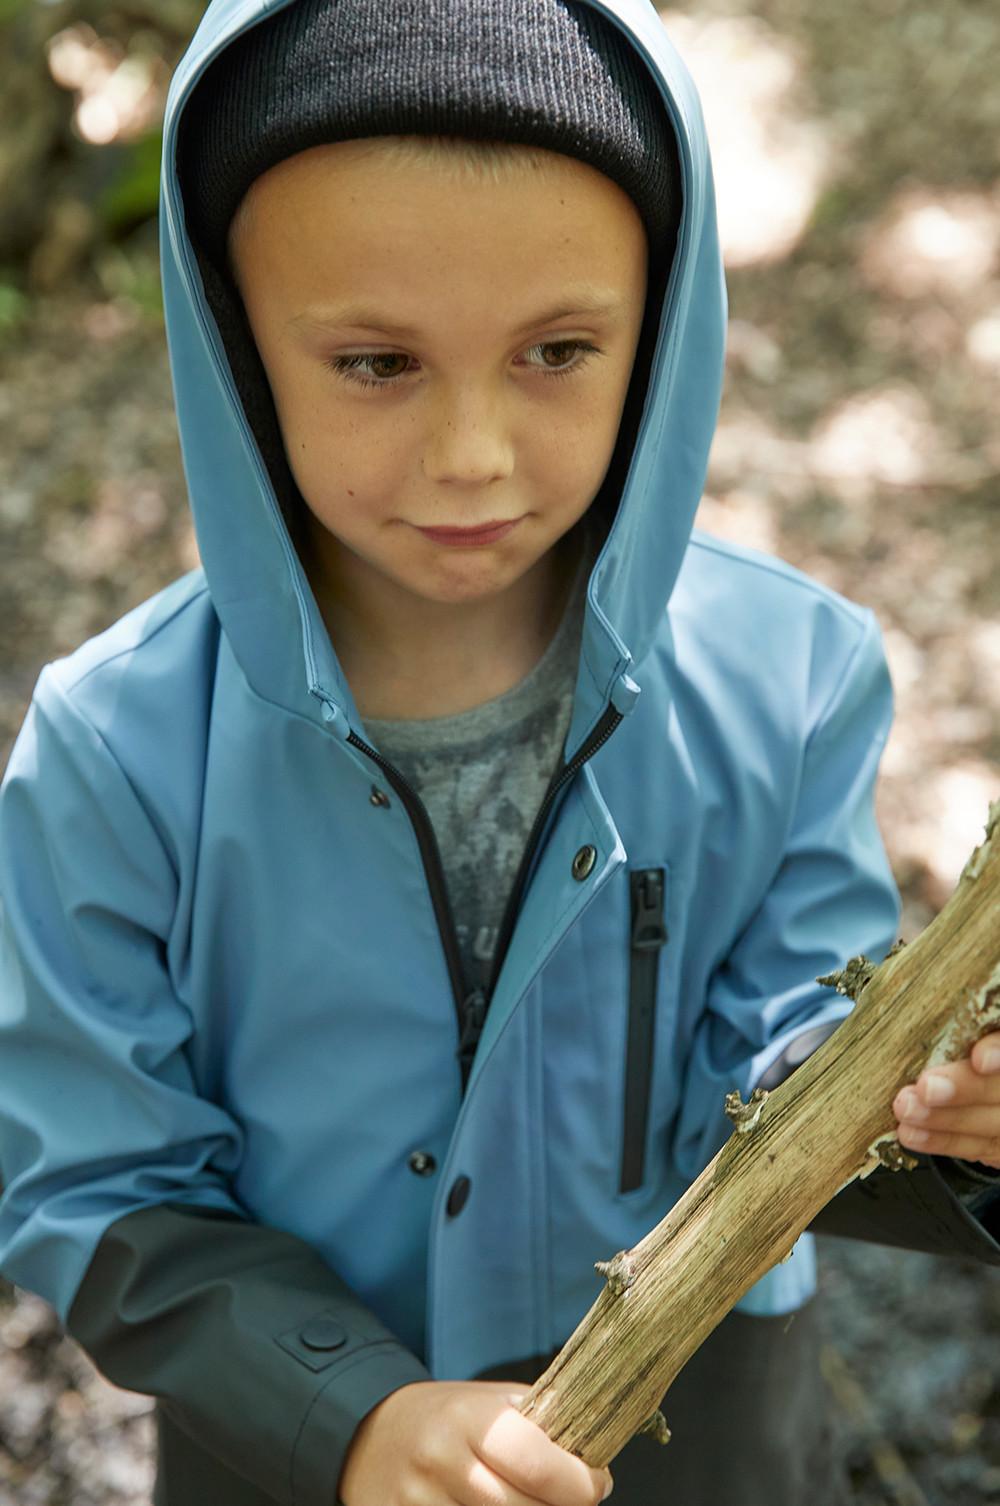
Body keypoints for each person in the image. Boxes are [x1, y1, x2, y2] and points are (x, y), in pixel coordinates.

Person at [0, 1, 998, 1503]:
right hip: (288, 1433)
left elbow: (797, 1034)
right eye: (376, 364)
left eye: (556, 350)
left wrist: (943, 1117)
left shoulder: (793, 681)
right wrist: (337, 1411)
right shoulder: (116, 749)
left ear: (658, 324)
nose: (473, 454)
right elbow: (99, 1176)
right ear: (234, 341)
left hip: (702, 1421)